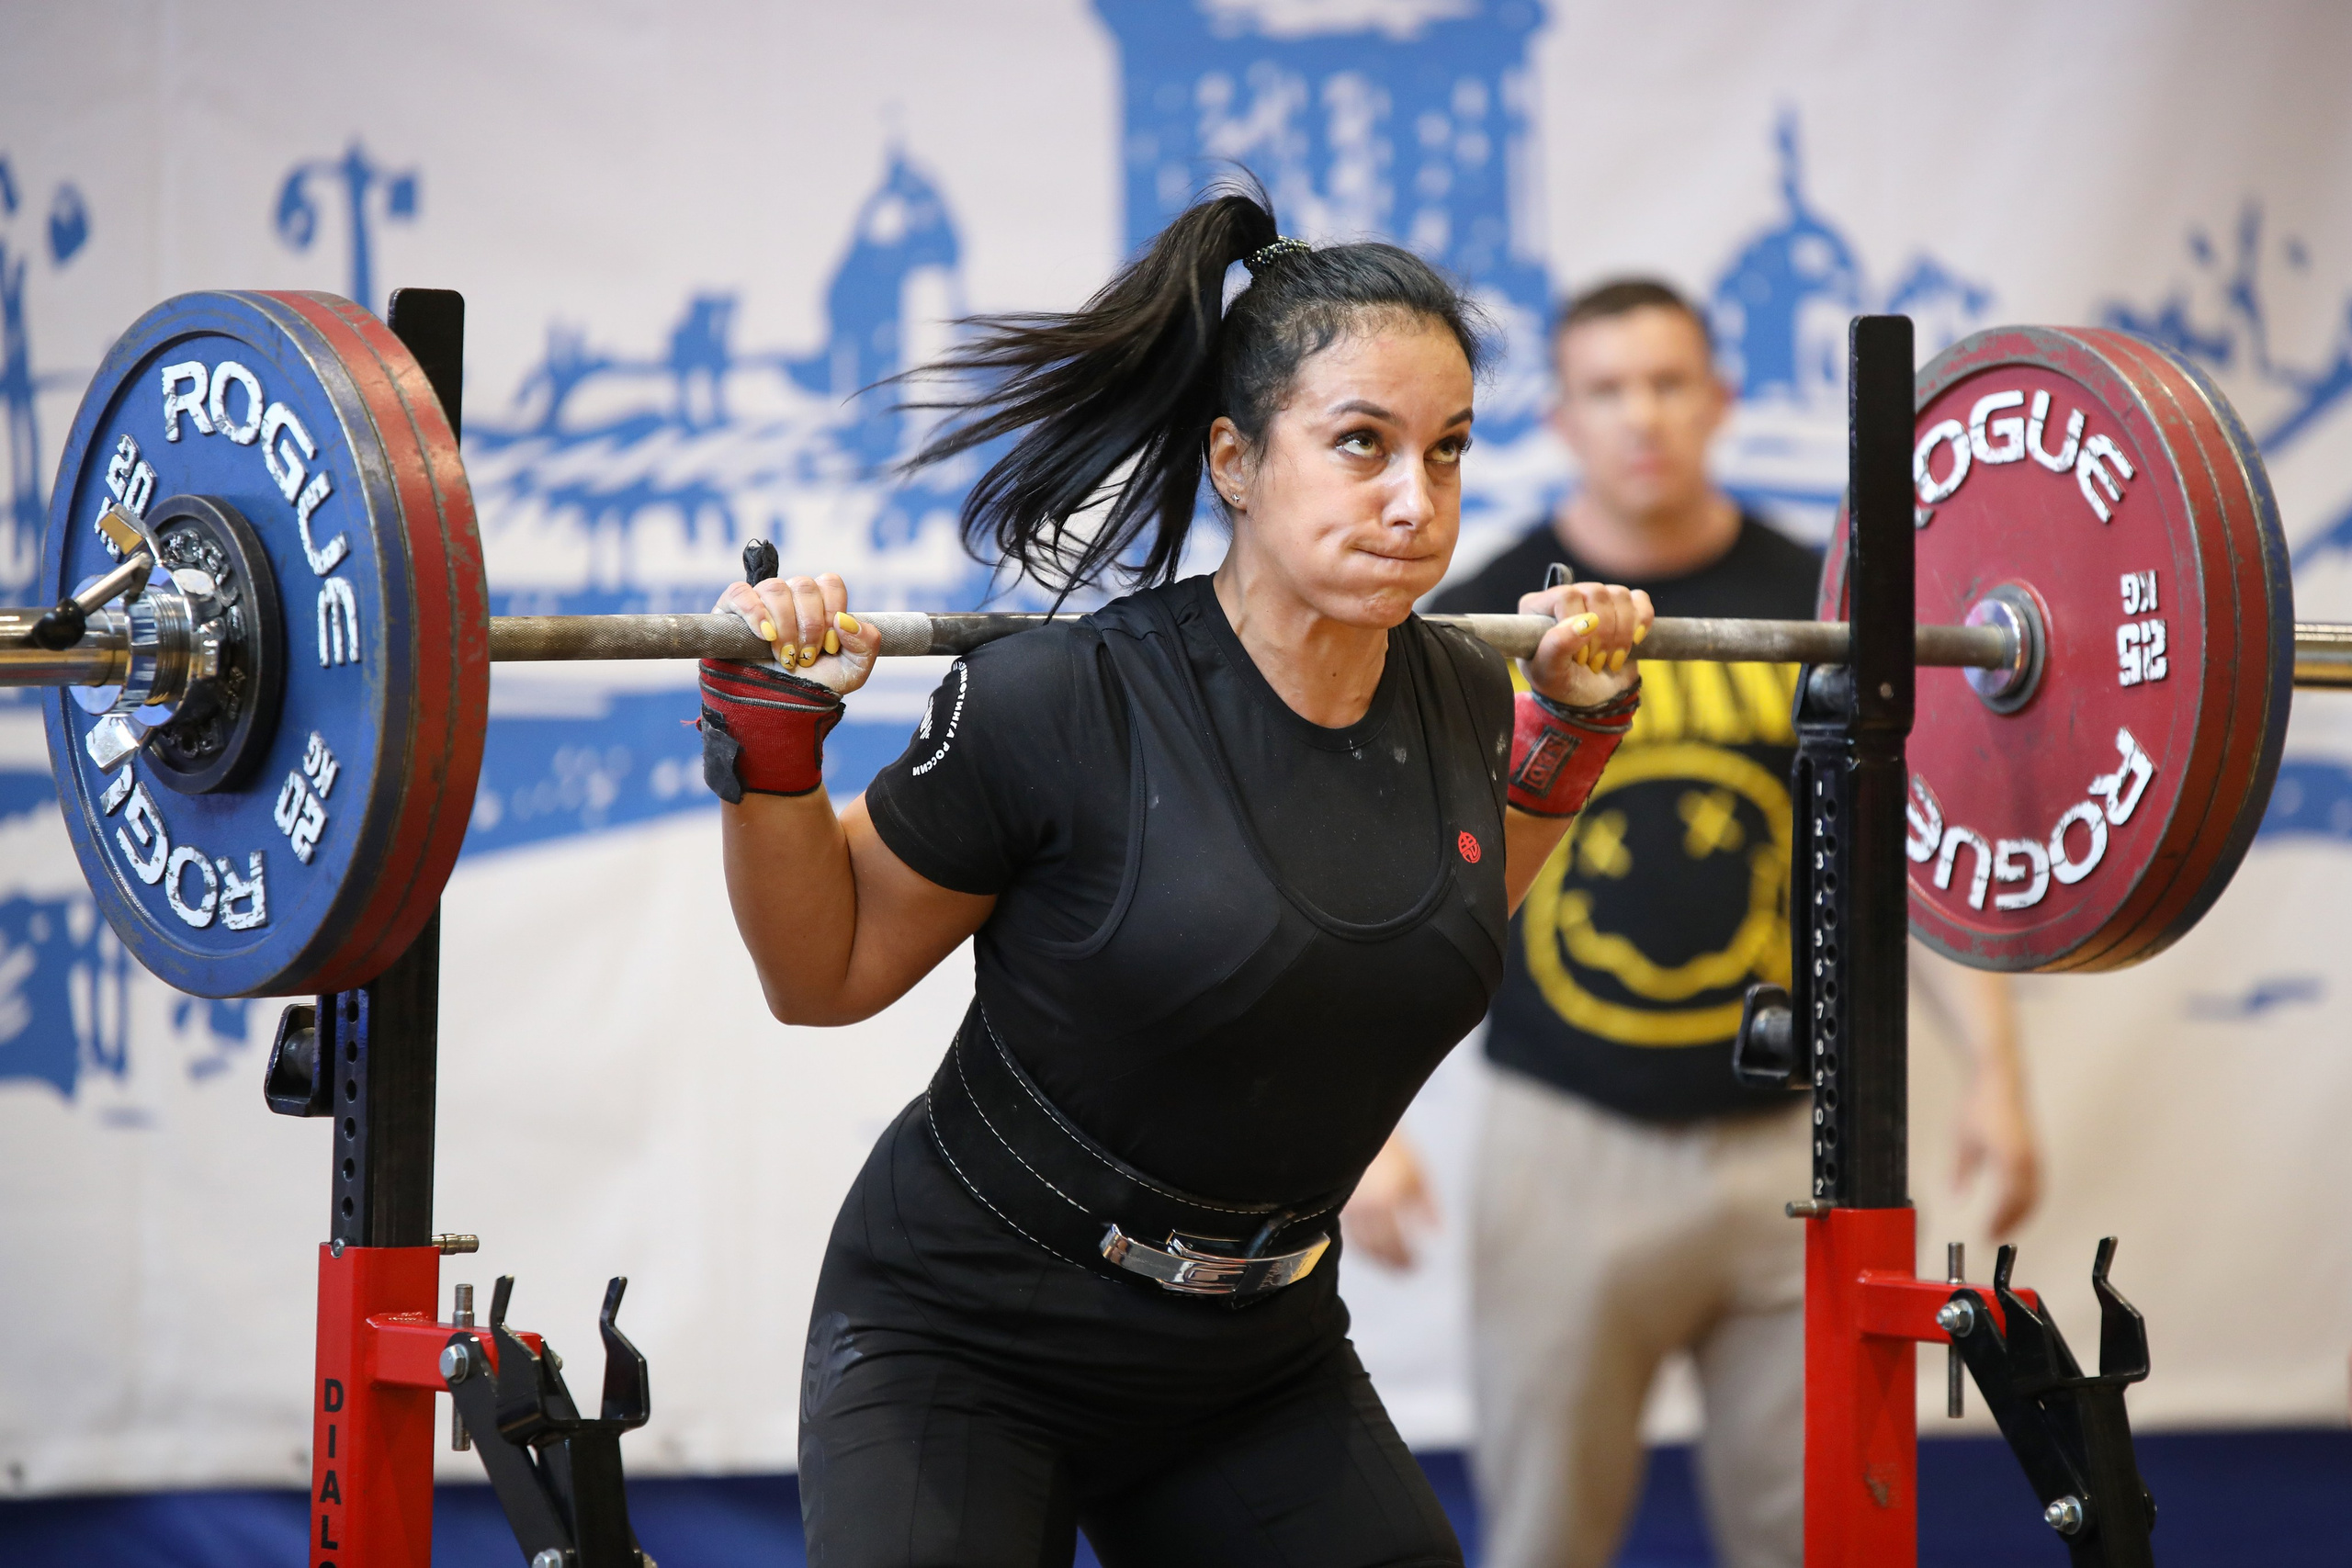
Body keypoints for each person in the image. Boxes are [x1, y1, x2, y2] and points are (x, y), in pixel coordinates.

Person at [697, 186, 1655, 1568]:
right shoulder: (1056, 704)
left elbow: (1437, 913)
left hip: (1250, 1359)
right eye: (1361, 446)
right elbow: (819, 973)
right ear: (1238, 460)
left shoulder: (1461, 694)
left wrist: (1571, 738)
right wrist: (770, 743)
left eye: (1446, 453)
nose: (1413, 500)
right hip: (967, 1336)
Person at [1341, 279, 2042, 1568]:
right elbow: (1381, 892)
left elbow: (1905, 854)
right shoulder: (1481, 618)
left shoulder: (1817, 597)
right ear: (1558, 417)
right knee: (1544, 1537)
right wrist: (1361, 1124)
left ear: (1718, 400)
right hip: (1565, 1139)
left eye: (1669, 382)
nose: (1642, 416)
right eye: (1608, 389)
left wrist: (1997, 1077)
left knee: (1816, 1539)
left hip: (1795, 1147)